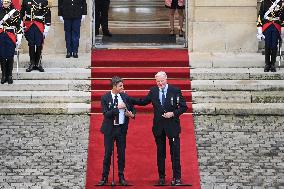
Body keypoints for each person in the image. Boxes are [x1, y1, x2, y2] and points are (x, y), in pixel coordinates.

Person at [130, 71, 188, 186]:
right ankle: (161, 177)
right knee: (160, 153)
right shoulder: (153, 91)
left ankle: (177, 178)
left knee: (175, 153)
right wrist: (128, 98)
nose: (160, 83)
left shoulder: (175, 90)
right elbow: (143, 102)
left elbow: (184, 107)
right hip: (159, 127)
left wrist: (173, 113)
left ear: (166, 79)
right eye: (158, 82)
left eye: (162, 81)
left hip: (172, 126)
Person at [98, 76, 135, 186]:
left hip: (121, 129)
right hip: (110, 129)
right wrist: (117, 108)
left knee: (121, 153)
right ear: (114, 86)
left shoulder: (124, 96)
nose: (122, 87)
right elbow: (106, 114)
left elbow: (132, 108)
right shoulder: (105, 97)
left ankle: (121, 176)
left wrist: (131, 114)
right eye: (120, 86)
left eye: (122, 85)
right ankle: (104, 177)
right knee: (108, 153)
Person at [20, 0, 51, 72]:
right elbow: (22, 13)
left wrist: (47, 26)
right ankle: (32, 63)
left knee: (39, 44)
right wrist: (20, 23)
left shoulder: (44, 1)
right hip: (29, 25)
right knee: (31, 44)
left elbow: (47, 14)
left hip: (39, 25)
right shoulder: (26, 1)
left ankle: (38, 63)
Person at [257, 0, 284, 72]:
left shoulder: (280, 2)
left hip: (276, 26)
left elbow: (283, 17)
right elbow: (260, 15)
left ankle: (273, 64)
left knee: (274, 45)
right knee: (267, 45)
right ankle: (267, 64)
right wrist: (259, 28)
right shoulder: (264, 2)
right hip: (267, 26)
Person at [0, 0, 23, 84]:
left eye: (7, 2)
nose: (5, 4)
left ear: (10, 3)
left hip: (11, 36)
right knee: (2, 55)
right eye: (4, 2)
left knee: (10, 55)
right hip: (1, 35)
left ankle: (9, 75)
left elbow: (19, 26)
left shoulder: (15, 12)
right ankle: (4, 75)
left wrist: (19, 38)